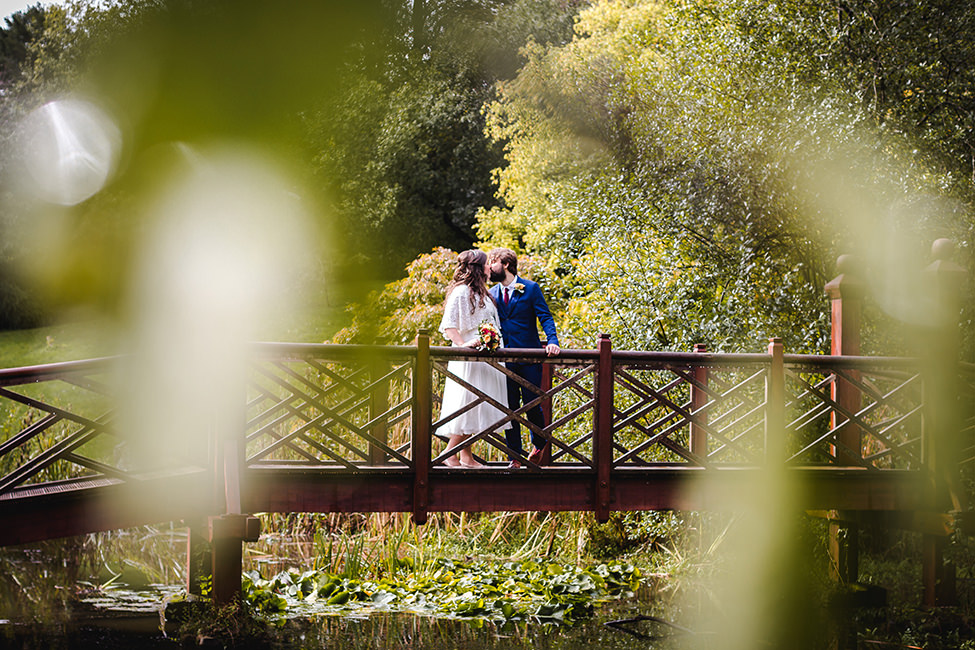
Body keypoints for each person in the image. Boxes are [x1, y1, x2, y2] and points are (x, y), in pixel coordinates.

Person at [488, 248, 560, 468]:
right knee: (509, 408)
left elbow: (545, 316)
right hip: (504, 358)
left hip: (529, 357)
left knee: (531, 404)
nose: (489, 266)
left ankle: (539, 443)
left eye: (493, 261)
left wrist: (553, 341)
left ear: (506, 264)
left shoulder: (530, 288)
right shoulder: (491, 293)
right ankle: (514, 458)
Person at [438, 249, 511, 468]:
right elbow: (449, 325)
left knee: (479, 405)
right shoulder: (461, 292)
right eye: (487, 264)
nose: (490, 267)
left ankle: (466, 457)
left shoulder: (483, 293)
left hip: (486, 358)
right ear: (479, 268)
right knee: (469, 403)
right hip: (470, 361)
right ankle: (450, 454)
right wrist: (463, 345)